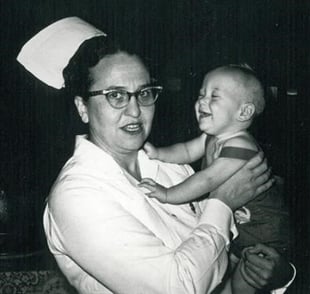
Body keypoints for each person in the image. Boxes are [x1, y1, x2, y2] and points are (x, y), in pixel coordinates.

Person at [17, 17, 294, 294]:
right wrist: (221, 201)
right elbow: (179, 288)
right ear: (82, 108)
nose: (135, 110)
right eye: (116, 95)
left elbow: (218, 263)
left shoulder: (169, 168)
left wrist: (278, 278)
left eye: (144, 93)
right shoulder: (77, 195)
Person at [139, 65, 291, 262]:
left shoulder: (241, 144)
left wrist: (169, 194)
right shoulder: (212, 136)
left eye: (214, 96)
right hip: (241, 221)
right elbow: (186, 151)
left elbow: (208, 179)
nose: (202, 100)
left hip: (266, 228)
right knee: (235, 266)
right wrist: (159, 153)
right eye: (202, 94)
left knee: (253, 268)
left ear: (243, 112)